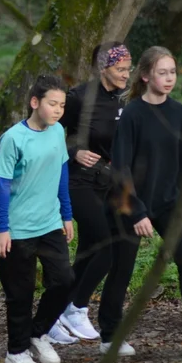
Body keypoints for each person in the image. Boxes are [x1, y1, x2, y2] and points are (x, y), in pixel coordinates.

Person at [101, 46, 182, 357]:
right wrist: (137, 212)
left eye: (172, 72)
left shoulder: (179, 113)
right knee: (122, 268)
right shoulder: (132, 114)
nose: (169, 78)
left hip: (169, 203)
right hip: (129, 204)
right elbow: (120, 168)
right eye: (162, 72)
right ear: (146, 76)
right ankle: (109, 335)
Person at [48, 41, 132, 345]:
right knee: (105, 246)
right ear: (103, 68)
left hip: (109, 183)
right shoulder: (80, 98)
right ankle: (77, 307)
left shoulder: (126, 99)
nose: (126, 74)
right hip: (78, 181)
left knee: (88, 251)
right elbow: (51, 129)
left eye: (128, 68)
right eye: (120, 69)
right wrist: (75, 151)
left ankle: (56, 309)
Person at [0, 75, 75, 363]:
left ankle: (38, 334)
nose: (58, 110)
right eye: (53, 104)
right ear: (35, 102)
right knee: (20, 293)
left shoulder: (58, 132)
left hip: (50, 222)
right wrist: (2, 229)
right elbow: (2, 185)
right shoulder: (14, 138)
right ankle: (15, 353)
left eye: (62, 105)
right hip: (18, 229)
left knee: (65, 281)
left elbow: (62, 173)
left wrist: (67, 214)